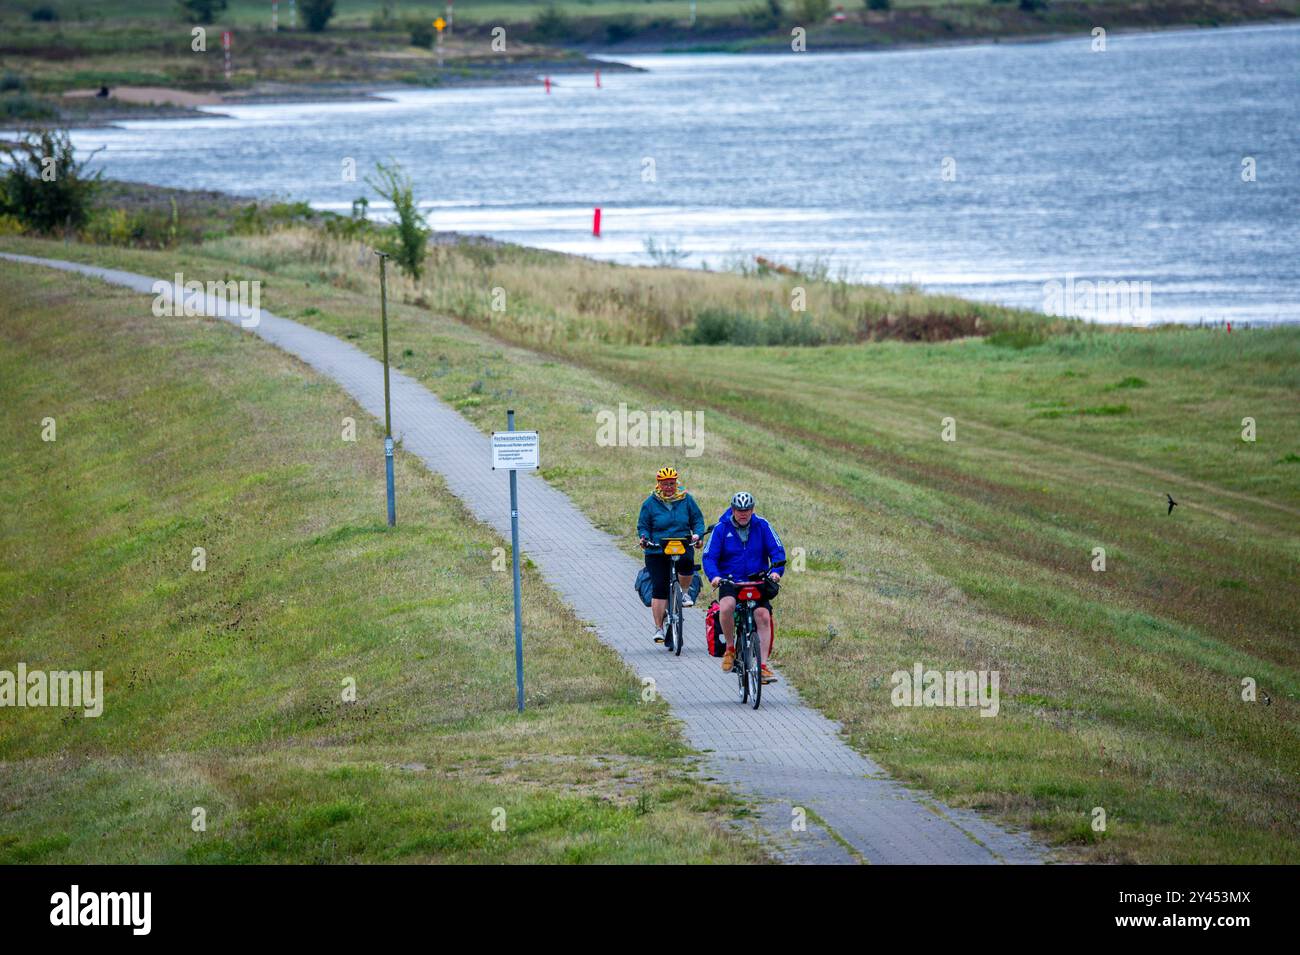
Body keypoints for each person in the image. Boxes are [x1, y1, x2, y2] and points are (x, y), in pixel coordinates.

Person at [702, 491, 785, 683]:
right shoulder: (722, 528)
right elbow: (709, 556)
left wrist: (775, 573)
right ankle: (730, 648)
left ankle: (763, 666)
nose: (743, 513)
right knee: (727, 607)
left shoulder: (762, 526)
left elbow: (778, 552)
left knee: (763, 616)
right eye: (739, 510)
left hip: (757, 580)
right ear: (732, 509)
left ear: (752, 510)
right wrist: (715, 577)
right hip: (730, 581)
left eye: (747, 510)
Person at [637, 467, 704, 645]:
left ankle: (684, 593)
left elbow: (697, 520)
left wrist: (697, 535)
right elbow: (643, 525)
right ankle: (659, 628)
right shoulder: (650, 503)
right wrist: (645, 539)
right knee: (659, 587)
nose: (669, 487)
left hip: (681, 544)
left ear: (676, 483)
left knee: (688, 562)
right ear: (658, 483)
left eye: (672, 483)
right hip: (657, 549)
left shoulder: (686, 500)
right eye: (665, 484)